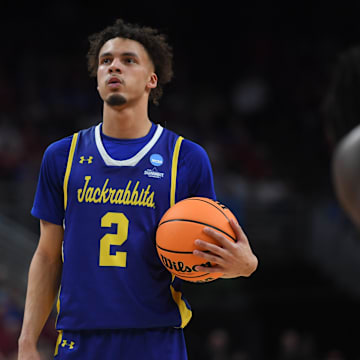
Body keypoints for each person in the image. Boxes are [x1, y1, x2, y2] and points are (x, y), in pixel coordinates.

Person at [17, 18, 258, 360]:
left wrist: (244, 266)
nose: (114, 65)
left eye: (129, 60)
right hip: (80, 339)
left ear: (151, 79)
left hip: (156, 339)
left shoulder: (186, 159)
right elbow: (46, 255)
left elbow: (207, 249)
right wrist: (27, 341)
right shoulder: (61, 156)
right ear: (97, 77)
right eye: (106, 60)